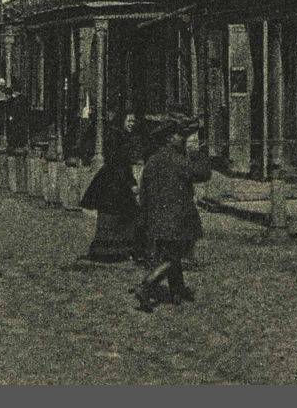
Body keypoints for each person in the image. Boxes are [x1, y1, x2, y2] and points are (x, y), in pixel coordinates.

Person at [133, 116, 210, 312]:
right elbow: (202, 174)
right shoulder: (177, 159)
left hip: (156, 219)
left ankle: (177, 289)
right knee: (175, 255)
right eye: (178, 135)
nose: (182, 139)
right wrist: (198, 153)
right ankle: (147, 285)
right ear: (169, 138)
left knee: (171, 253)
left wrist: (146, 218)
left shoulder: (153, 160)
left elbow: (144, 192)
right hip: (177, 219)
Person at [79, 112, 143, 263]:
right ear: (122, 121)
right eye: (129, 121)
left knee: (116, 214)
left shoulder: (121, 136)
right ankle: (113, 250)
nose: (131, 124)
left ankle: (112, 250)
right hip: (114, 181)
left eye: (133, 121)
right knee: (118, 214)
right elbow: (120, 164)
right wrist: (131, 183)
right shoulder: (117, 137)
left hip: (115, 180)